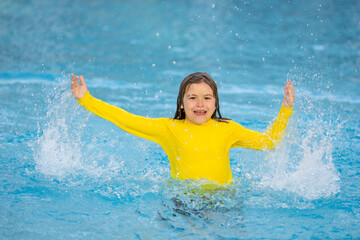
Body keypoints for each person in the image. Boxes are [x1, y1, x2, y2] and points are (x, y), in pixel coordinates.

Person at [71, 72, 295, 185]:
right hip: (183, 202)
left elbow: (269, 142)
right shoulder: (169, 128)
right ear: (181, 103)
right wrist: (87, 100)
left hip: (224, 201)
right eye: (192, 98)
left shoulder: (228, 129)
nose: (200, 104)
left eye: (207, 98)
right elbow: (127, 120)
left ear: (215, 103)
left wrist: (285, 108)